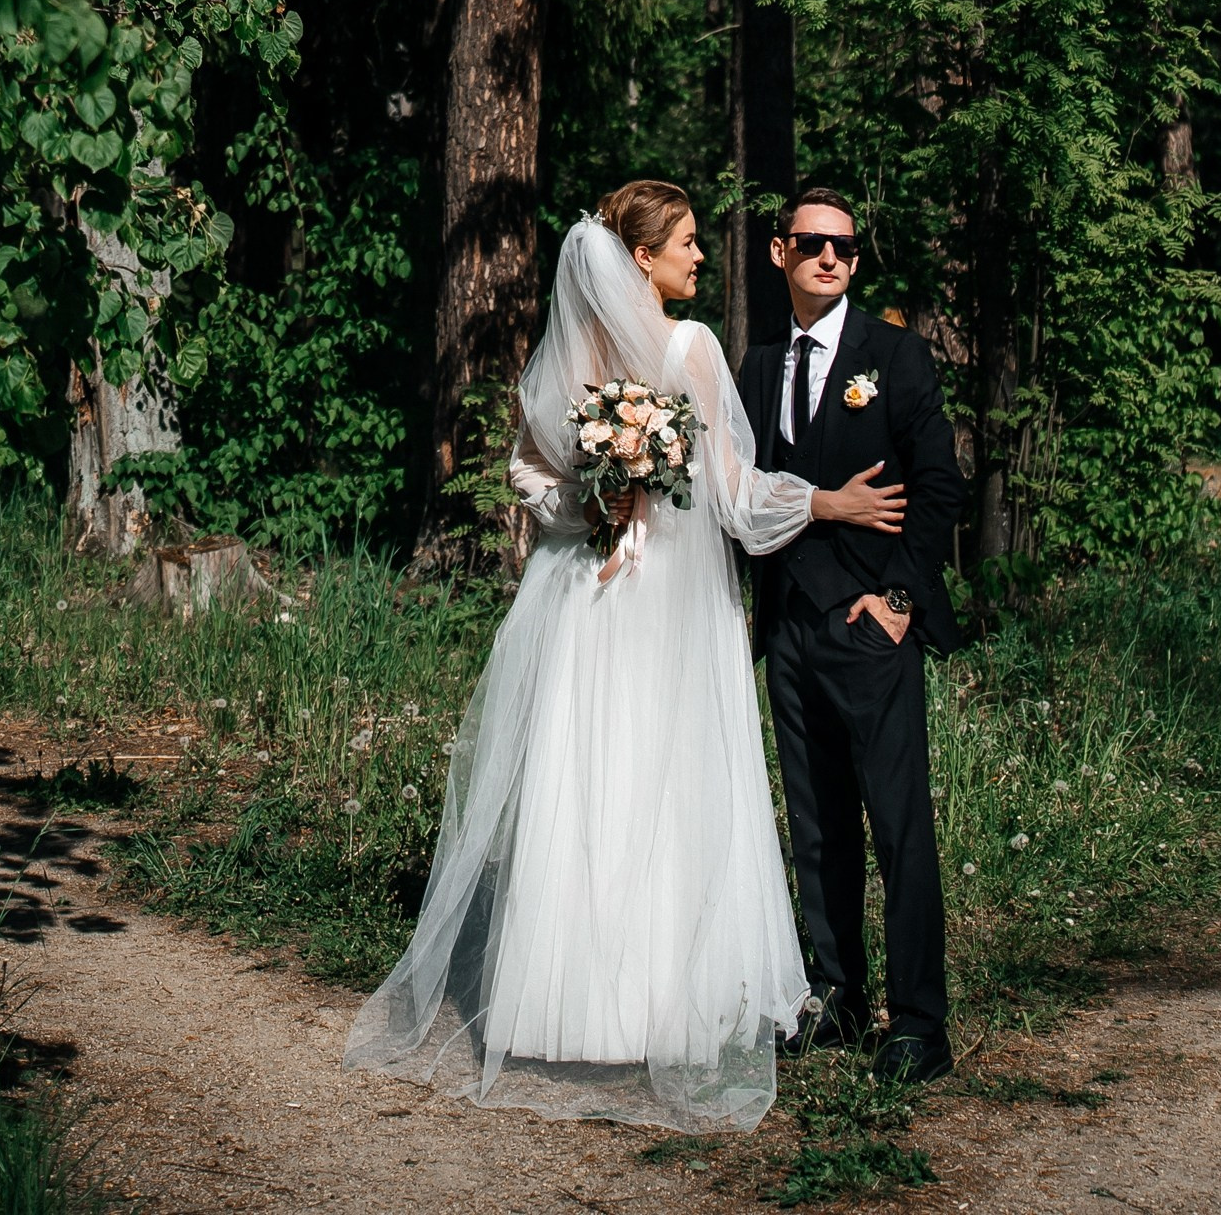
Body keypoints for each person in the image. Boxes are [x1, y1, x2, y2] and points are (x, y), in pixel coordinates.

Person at [343, 181, 907, 1133]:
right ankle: (617, 1012)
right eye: (687, 242)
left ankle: (596, 1012)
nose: (699, 257)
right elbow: (725, 492)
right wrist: (818, 502)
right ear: (641, 258)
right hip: (626, 599)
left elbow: (544, 473)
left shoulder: (606, 354)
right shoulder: (679, 350)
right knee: (621, 781)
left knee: (620, 778)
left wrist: (585, 509)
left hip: (622, 598)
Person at [737, 189, 968, 1085]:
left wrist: (901, 599)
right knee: (816, 823)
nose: (831, 258)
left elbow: (939, 484)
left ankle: (919, 1020)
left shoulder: (895, 356)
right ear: (779, 253)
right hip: (790, 629)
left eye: (846, 246)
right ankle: (833, 992)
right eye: (813, 244)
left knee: (898, 825)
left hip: (871, 627)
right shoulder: (757, 368)